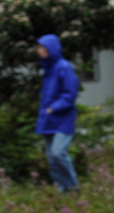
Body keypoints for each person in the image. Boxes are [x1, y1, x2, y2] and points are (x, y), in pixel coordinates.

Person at [35, 33, 80, 193]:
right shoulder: (48, 69)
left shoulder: (64, 67)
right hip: (48, 120)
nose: (39, 50)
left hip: (63, 119)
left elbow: (70, 94)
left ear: (51, 49)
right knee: (51, 159)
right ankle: (62, 189)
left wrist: (53, 108)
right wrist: (46, 113)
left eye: (42, 47)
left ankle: (73, 186)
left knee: (58, 153)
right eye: (39, 47)